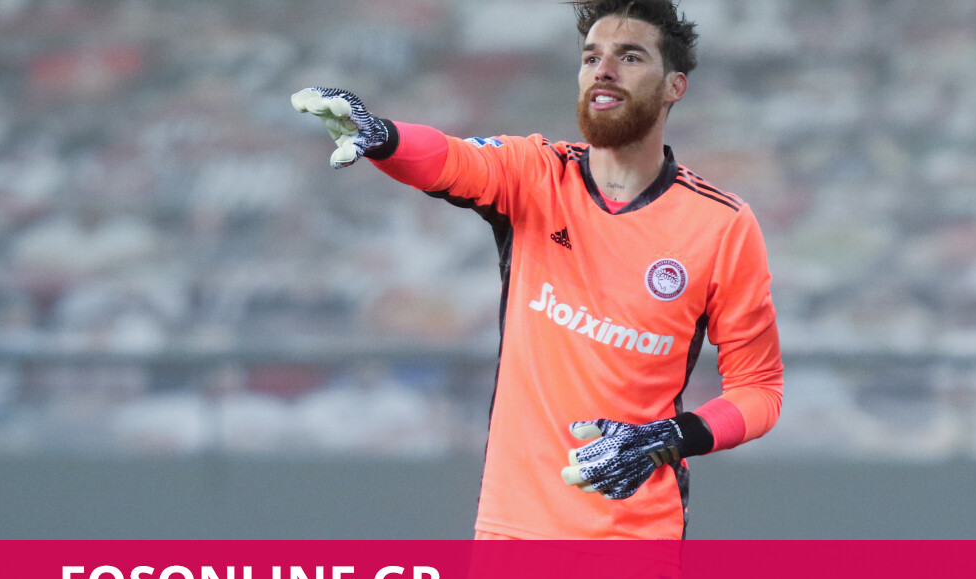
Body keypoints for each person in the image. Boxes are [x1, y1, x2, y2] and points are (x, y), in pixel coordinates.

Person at [292, 0, 783, 543]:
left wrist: (667, 438)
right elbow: (449, 159)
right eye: (591, 57)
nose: (604, 69)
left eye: (630, 56)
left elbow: (759, 391)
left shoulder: (721, 225)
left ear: (674, 86)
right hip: (511, 534)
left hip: (635, 543)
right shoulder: (534, 174)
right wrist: (383, 135)